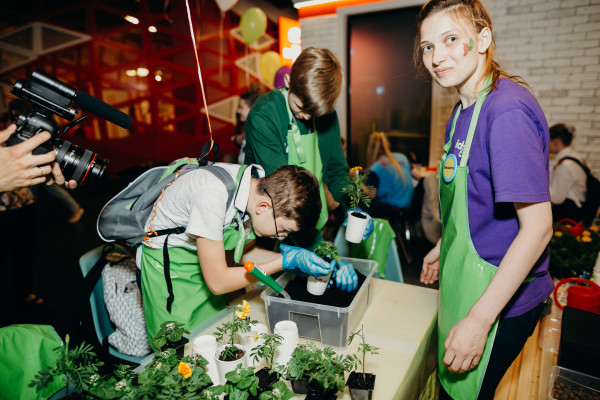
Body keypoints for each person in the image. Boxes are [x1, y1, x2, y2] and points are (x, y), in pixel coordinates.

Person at [416, 1, 554, 399]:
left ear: (483, 40)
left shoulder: (505, 111)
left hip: (502, 300)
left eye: (451, 39)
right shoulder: (460, 113)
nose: (436, 57)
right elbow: (473, 197)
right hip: (469, 281)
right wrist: (445, 245)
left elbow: (538, 228)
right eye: (427, 47)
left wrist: (479, 321)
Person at [137, 163, 344, 342]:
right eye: (283, 229)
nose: (281, 237)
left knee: (214, 333)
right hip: (170, 271)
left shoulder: (254, 191)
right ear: (264, 206)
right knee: (181, 346)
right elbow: (218, 282)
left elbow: (244, 255)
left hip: (205, 266)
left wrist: (297, 263)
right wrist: (283, 261)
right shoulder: (212, 194)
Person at [243, 47, 365, 291]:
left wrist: (355, 207)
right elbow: (284, 198)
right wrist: (317, 249)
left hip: (308, 225)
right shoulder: (265, 115)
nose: (308, 117)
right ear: (288, 80)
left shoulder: (325, 114)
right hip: (267, 227)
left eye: (316, 112)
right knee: (261, 296)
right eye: (301, 108)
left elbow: (336, 172)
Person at [364, 131, 414, 213]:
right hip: (407, 207)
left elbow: (371, 195)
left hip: (390, 208)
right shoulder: (402, 157)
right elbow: (418, 175)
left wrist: (356, 180)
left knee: (360, 206)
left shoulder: (376, 167)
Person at [548, 123, 587, 223]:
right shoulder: (576, 157)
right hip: (576, 210)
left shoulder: (564, 165)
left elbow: (557, 198)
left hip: (567, 213)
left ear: (555, 142)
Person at [229, 83, 266, 165]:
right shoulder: (248, 129)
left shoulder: (257, 133)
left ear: (253, 108)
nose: (238, 111)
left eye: (241, 107)